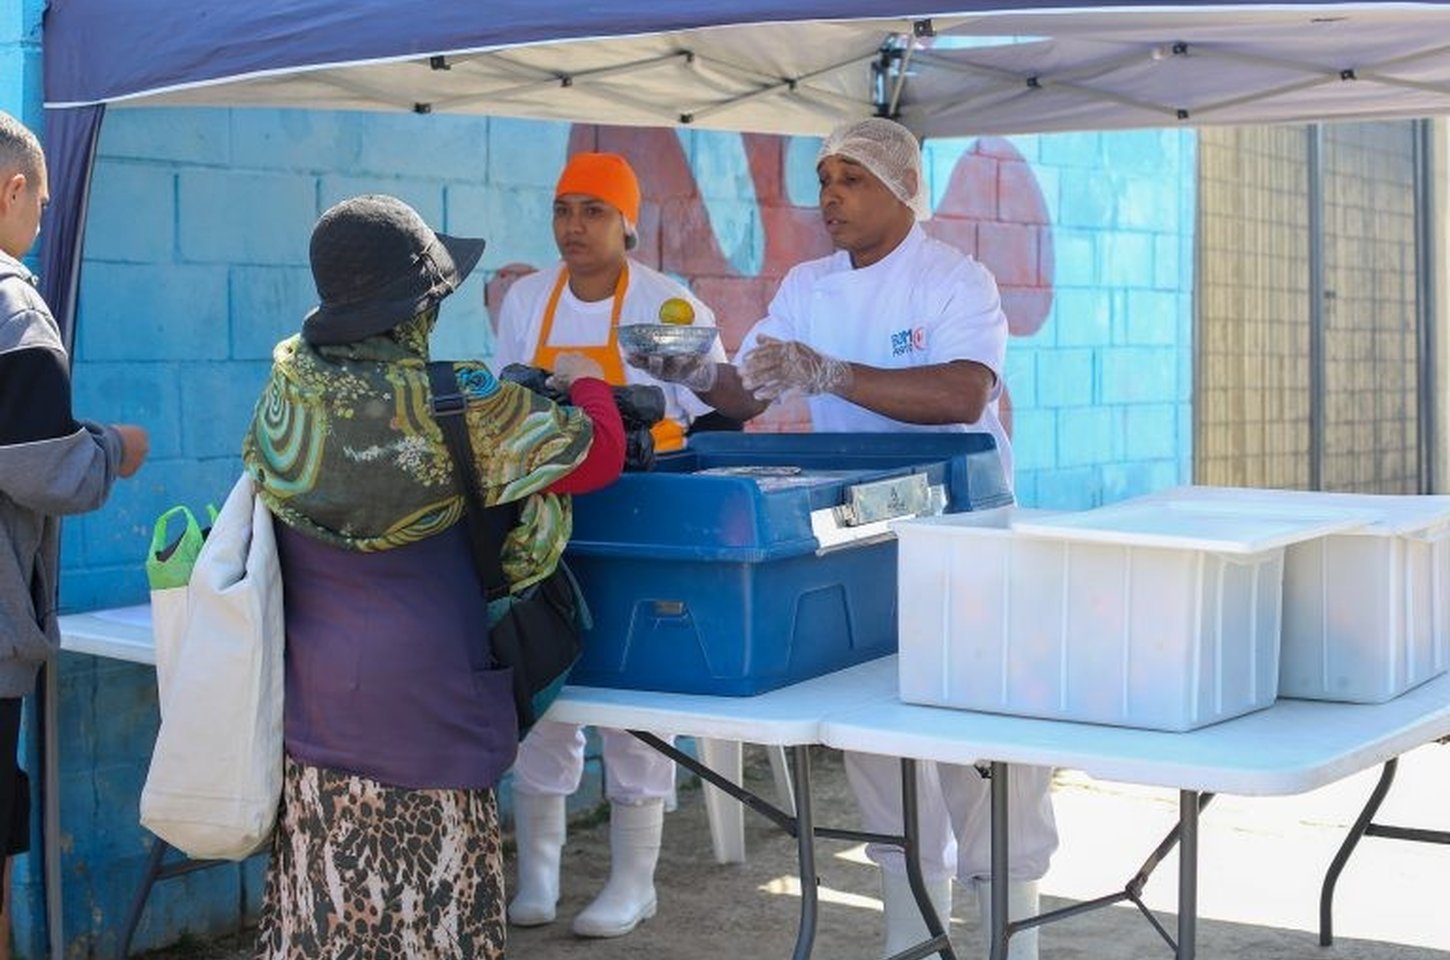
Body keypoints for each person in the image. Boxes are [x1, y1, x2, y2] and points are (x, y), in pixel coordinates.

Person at [633, 117, 1057, 959]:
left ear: (903, 190)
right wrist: (698, 374)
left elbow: (964, 395)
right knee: (874, 735)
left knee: (978, 738)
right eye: (824, 180)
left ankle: (1011, 934)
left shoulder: (953, 279)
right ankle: (909, 932)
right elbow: (750, 391)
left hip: (962, 531)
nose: (830, 197)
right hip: (862, 524)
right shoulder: (809, 287)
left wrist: (833, 374)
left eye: (852, 180)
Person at [244, 194, 626, 960]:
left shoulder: (287, 390)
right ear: (419, 308)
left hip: (316, 712)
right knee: (433, 930)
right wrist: (588, 382)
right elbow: (599, 455)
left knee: (331, 927)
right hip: (430, 716)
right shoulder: (457, 405)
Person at [493, 151, 728, 939]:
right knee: (545, 683)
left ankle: (634, 881)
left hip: (640, 512)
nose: (574, 226)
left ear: (628, 223)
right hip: (545, 513)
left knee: (634, 693)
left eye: (594, 211)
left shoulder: (667, 303)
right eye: (563, 210)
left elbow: (713, 409)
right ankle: (540, 877)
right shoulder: (528, 298)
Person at [0, 111, 149, 959]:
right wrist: (113, 448)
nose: (41, 220)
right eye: (42, 205)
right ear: (14, 190)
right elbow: (48, 472)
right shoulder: (13, 305)